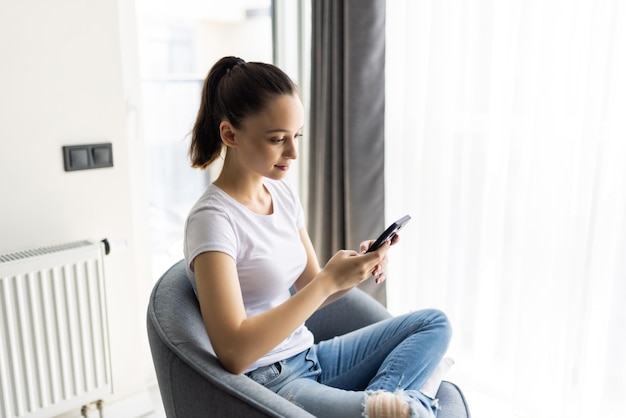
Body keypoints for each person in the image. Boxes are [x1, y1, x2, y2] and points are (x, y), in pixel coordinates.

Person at [183, 56, 452, 418]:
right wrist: (326, 283)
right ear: (230, 134)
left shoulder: (282, 196)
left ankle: (384, 405)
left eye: (296, 136)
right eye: (278, 139)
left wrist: (353, 271)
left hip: (311, 356)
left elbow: (312, 287)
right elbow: (233, 353)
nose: (293, 152)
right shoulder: (213, 220)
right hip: (271, 379)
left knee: (435, 323)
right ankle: (399, 407)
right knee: (414, 413)